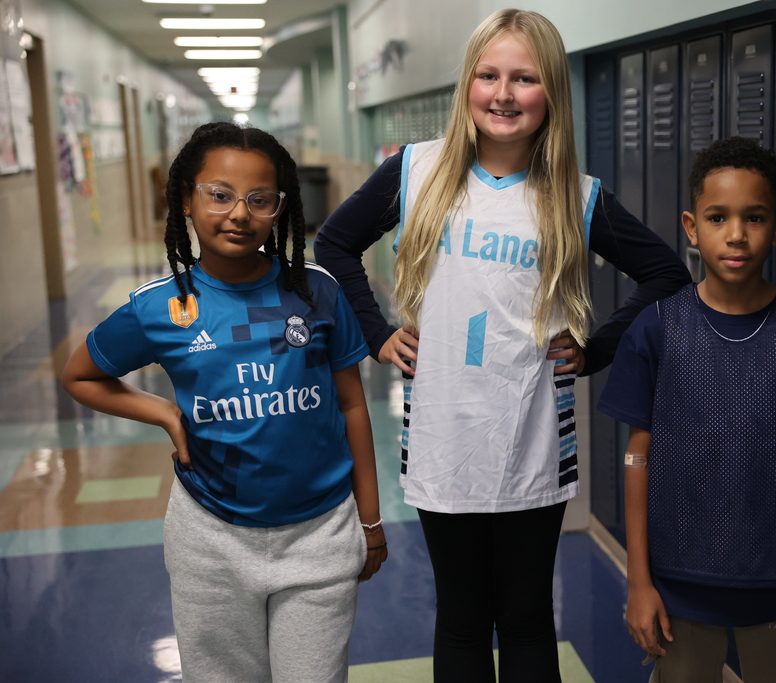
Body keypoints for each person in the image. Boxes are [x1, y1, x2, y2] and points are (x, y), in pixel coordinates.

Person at [314, 9, 689, 682]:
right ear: (467, 85)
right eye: (488, 75)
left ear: (552, 94)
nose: (504, 93)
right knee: (460, 614)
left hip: (532, 431)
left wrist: (597, 346)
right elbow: (334, 243)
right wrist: (376, 333)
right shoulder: (417, 170)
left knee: (524, 613)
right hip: (443, 429)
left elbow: (666, 272)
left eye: (524, 78)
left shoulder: (575, 196)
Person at [62, 122, 387, 682]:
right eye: (220, 195)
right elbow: (81, 375)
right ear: (186, 197)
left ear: (280, 208)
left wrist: (372, 520)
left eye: (259, 200)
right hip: (209, 541)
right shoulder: (161, 307)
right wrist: (163, 412)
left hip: (321, 535)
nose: (239, 213)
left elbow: (353, 407)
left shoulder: (316, 292)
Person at [598, 136, 776, 683]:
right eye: (717, 217)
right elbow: (638, 455)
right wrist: (638, 582)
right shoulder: (657, 329)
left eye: (754, 217)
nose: (736, 235)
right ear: (690, 226)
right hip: (680, 581)